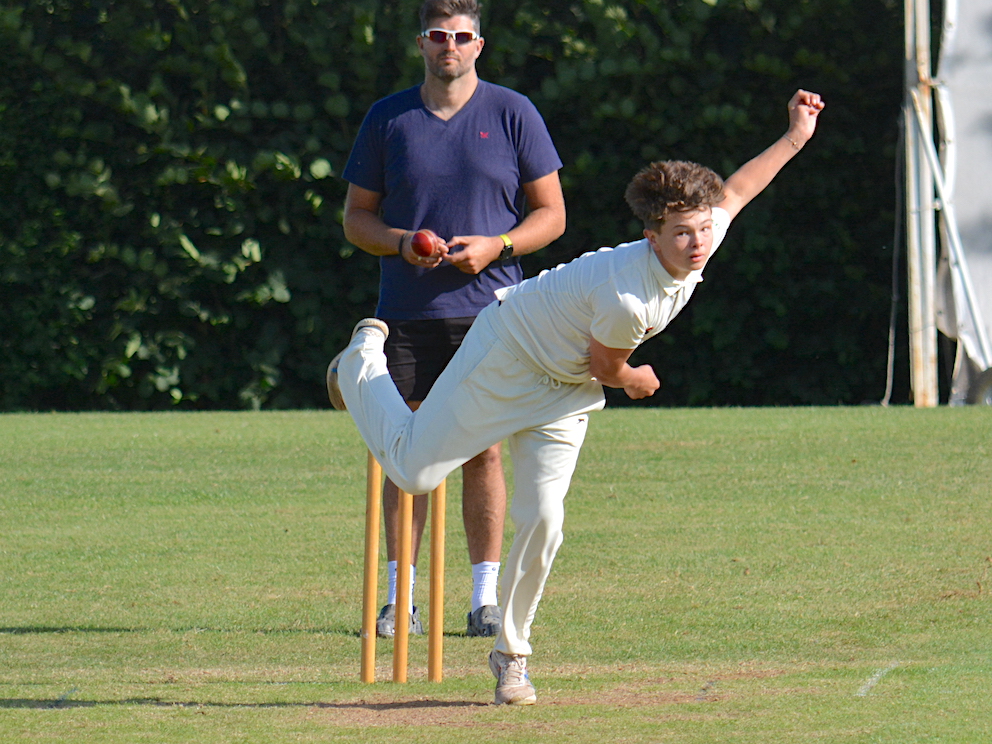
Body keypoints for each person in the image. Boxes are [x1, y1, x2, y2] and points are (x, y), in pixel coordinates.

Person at [329, 90, 824, 704]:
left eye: (701, 230)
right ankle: (359, 364)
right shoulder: (628, 295)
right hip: (509, 355)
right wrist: (640, 378)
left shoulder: (702, 232)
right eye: (681, 235)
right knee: (413, 471)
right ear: (651, 237)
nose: (697, 245)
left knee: (545, 520)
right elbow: (609, 365)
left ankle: (512, 656)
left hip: (566, 392)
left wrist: (797, 135)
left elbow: (742, 188)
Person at [340, 0, 566, 638]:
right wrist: (402, 240)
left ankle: (483, 599)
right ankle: (397, 601)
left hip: (493, 313)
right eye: (438, 35)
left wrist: (501, 246)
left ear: (479, 44)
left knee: (484, 452)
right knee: (400, 450)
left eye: (461, 36)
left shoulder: (512, 112)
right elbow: (356, 220)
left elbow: (552, 214)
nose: (450, 46)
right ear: (421, 42)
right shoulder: (389, 117)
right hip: (406, 312)